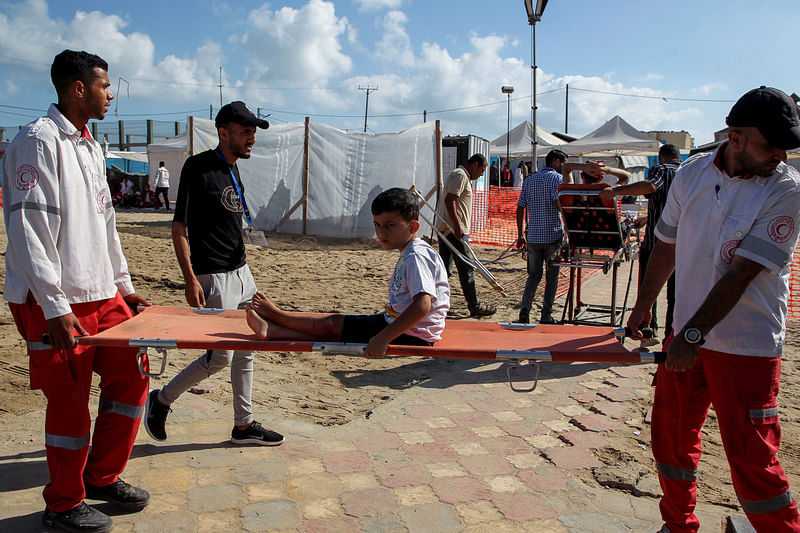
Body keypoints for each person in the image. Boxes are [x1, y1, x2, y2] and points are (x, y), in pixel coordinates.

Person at [628, 87, 800, 532]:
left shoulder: (786, 191)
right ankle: (679, 524)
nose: (780, 156)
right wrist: (643, 307)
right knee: (671, 436)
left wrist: (689, 336)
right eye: (771, 145)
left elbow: (742, 274)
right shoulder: (691, 175)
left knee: (752, 456)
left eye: (786, 147)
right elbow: (665, 245)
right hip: (688, 336)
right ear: (735, 138)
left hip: (746, 345)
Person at [2, 49, 151, 533]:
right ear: (78, 88)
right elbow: (28, 229)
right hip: (54, 300)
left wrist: (124, 289)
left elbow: (107, 226)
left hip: (101, 291)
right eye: (106, 85)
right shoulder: (38, 143)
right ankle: (63, 504)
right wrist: (53, 305)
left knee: (132, 377)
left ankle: (102, 476)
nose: (112, 94)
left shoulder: (90, 145)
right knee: (69, 400)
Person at [144, 101, 285, 447]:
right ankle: (161, 399)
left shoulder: (234, 168)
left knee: (251, 344)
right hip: (213, 277)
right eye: (245, 131)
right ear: (224, 133)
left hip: (241, 271)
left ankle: (243, 424)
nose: (252, 137)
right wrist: (190, 278)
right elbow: (179, 227)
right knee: (219, 356)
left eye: (254, 131)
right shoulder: (198, 167)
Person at [246, 188, 450, 358]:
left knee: (334, 327)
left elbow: (423, 305)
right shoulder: (412, 251)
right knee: (336, 326)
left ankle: (277, 317)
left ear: (413, 226)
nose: (381, 232)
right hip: (404, 326)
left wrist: (383, 338)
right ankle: (274, 329)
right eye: (377, 225)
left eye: (390, 226)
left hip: (413, 334)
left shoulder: (416, 256)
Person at [599, 143, 681, 340]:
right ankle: (671, 338)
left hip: (658, 244)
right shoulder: (689, 172)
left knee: (648, 290)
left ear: (661, 158)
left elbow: (651, 186)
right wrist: (648, 218)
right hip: (685, 245)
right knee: (676, 297)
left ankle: (647, 332)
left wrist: (615, 192)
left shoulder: (662, 169)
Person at [515, 150, 605, 324]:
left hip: (533, 236)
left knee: (533, 276)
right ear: (557, 162)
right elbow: (559, 204)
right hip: (553, 235)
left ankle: (525, 308)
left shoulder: (529, 180)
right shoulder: (558, 180)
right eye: (564, 164)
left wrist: (520, 234)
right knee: (552, 278)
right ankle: (546, 315)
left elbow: (520, 207)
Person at [435, 153, 495, 316]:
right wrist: (457, 226)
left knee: (445, 270)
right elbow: (450, 200)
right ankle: (474, 306)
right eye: (482, 169)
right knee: (466, 267)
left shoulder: (461, 176)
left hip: (448, 228)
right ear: (475, 164)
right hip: (452, 230)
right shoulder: (460, 176)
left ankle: (437, 305)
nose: (482, 174)